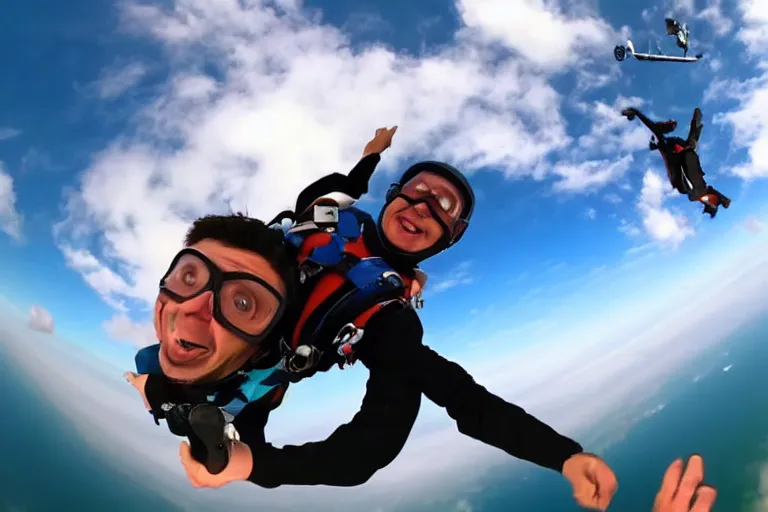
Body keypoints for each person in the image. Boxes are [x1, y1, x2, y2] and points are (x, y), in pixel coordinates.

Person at [128, 128, 619, 511]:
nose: (421, 205)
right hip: (218, 327)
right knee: (156, 365)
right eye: (415, 191)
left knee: (198, 429)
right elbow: (336, 193)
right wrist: (374, 152)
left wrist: (562, 455)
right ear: (391, 197)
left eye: (442, 207)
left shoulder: (388, 318)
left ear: (450, 237)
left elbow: (423, 416)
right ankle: (160, 390)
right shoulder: (330, 220)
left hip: (254, 380)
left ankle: (166, 400)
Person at [621, 106, 731, 218]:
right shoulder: (663, 139)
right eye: (670, 124)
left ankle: (715, 201)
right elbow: (649, 124)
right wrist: (636, 112)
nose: (672, 125)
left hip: (686, 165)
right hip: (679, 169)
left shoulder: (676, 143)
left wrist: (696, 120)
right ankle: (714, 201)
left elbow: (692, 139)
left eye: (672, 124)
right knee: (689, 188)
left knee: (694, 183)